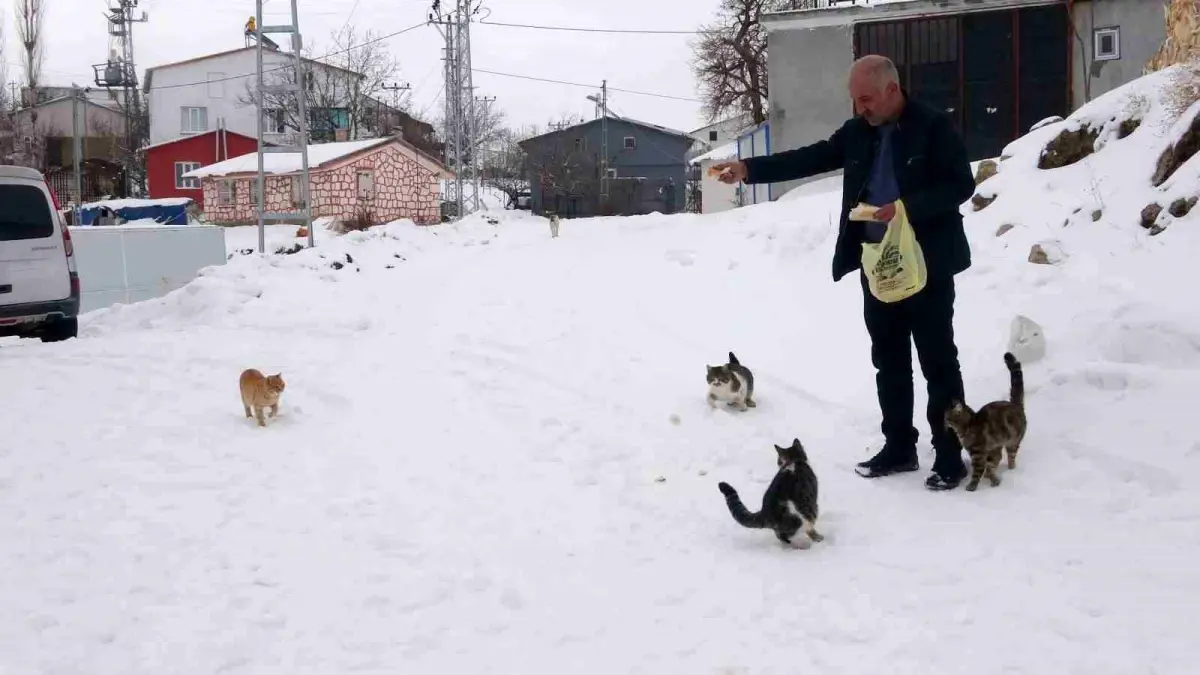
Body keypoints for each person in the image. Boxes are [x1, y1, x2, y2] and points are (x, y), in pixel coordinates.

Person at [710, 55, 976, 491]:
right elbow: (811, 157)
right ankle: (899, 447)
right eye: (855, 101)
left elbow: (960, 185)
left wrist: (905, 208)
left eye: (866, 99)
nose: (860, 109)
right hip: (877, 263)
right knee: (888, 361)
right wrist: (750, 169)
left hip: (926, 263)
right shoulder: (857, 133)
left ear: (892, 90)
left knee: (937, 361)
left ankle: (949, 454)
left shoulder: (933, 127)